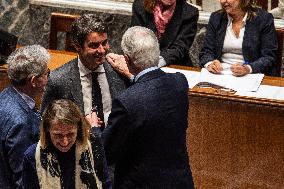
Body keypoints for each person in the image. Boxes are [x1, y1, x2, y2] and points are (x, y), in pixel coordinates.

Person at [103, 26, 194, 188]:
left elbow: (107, 153)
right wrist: (132, 75)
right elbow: (151, 90)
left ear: (127, 59)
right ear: (157, 52)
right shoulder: (180, 83)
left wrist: (94, 129)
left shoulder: (127, 101)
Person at [41, 14, 127, 128]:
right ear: (77, 46)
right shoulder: (58, 80)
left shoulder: (120, 72)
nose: (102, 50)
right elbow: (45, 124)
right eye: (94, 45)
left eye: (104, 43)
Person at [22, 99, 112, 189]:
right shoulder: (32, 157)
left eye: (70, 134)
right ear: (47, 129)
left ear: (79, 129)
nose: (65, 142)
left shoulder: (94, 145)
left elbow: (106, 184)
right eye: (58, 135)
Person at [0, 45, 50, 189]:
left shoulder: (5, 94)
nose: (48, 78)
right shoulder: (21, 123)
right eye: (46, 73)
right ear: (34, 81)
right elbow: (24, 178)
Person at [199, 0, 278, 76]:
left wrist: (248, 68)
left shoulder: (263, 19)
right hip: (221, 74)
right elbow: (206, 51)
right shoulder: (216, 18)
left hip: (251, 75)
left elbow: (269, 56)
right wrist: (210, 63)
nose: (223, 1)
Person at [131, 0, 198, 67]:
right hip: (143, 62)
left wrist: (159, 62)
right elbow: (135, 39)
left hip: (175, 65)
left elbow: (181, 47)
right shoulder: (140, 6)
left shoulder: (190, 12)